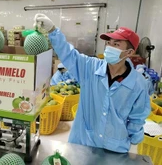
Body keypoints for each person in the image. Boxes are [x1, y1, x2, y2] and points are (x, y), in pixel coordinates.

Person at [33, 13, 150, 153]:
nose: (109, 47)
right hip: (83, 141)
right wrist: (53, 31)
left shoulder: (138, 84)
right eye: (108, 43)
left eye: (116, 44)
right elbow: (69, 54)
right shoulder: (90, 68)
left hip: (114, 147)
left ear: (129, 52)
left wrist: (134, 139)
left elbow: (137, 117)